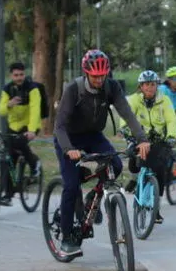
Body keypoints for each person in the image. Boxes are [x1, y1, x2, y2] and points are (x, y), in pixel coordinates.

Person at [54, 49, 151, 258]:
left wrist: (142, 139)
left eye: (103, 75)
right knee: (71, 186)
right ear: (86, 73)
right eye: (95, 76)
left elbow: (127, 112)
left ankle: (92, 199)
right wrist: (69, 149)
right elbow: (59, 126)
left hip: (93, 136)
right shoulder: (74, 89)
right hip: (69, 138)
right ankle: (66, 237)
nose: (99, 79)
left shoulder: (111, 87)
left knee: (115, 165)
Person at [121, 69, 176, 224]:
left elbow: (171, 119)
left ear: (157, 85)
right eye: (146, 84)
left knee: (160, 171)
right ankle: (134, 179)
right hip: (138, 138)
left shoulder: (164, 100)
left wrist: (171, 136)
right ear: (140, 86)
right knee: (134, 164)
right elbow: (126, 116)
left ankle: (156, 209)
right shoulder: (134, 100)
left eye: (152, 84)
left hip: (158, 139)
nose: (149, 88)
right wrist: (127, 131)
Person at [0, 62, 43, 206]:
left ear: (24, 74)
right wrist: (8, 104)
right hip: (13, 127)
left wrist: (31, 130)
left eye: (21, 74)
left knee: (19, 144)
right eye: (16, 75)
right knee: (7, 159)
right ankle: (8, 194)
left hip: (29, 125)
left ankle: (35, 163)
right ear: (11, 75)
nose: (19, 78)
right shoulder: (7, 89)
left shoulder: (32, 88)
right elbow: (1, 110)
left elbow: (36, 110)